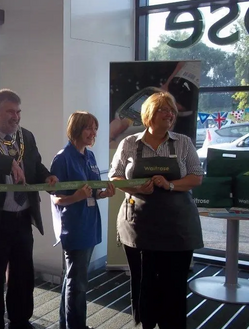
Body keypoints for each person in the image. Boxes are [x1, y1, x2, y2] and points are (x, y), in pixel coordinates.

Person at [0, 89, 58, 329]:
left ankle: (20, 319)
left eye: (18, 112)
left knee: (23, 274)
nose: (15, 117)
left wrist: (47, 177)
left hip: (22, 216)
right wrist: (8, 164)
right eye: (10, 112)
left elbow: (35, 164)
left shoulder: (26, 136)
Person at [109, 91, 203, 329]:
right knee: (144, 281)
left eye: (172, 110)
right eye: (164, 109)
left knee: (174, 282)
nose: (170, 114)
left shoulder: (183, 143)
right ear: (149, 114)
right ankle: (146, 324)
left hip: (178, 227)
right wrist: (137, 187)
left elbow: (196, 177)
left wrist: (170, 184)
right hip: (139, 225)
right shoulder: (129, 143)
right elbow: (115, 176)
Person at [50, 111, 115, 329]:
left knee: (74, 280)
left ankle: (65, 324)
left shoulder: (90, 156)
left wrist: (103, 193)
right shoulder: (62, 158)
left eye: (95, 128)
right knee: (77, 283)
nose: (93, 132)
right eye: (88, 127)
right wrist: (76, 196)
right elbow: (56, 198)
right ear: (76, 128)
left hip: (89, 224)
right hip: (74, 227)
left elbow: (94, 190)